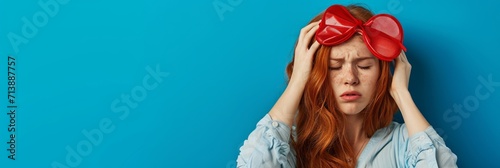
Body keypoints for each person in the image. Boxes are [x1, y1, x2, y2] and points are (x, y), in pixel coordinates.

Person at [236, 4, 458, 168]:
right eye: (334, 67)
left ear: (383, 74)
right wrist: (298, 81)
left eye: (364, 66)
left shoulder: (404, 143)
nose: (350, 78)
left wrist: (400, 93)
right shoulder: (291, 147)